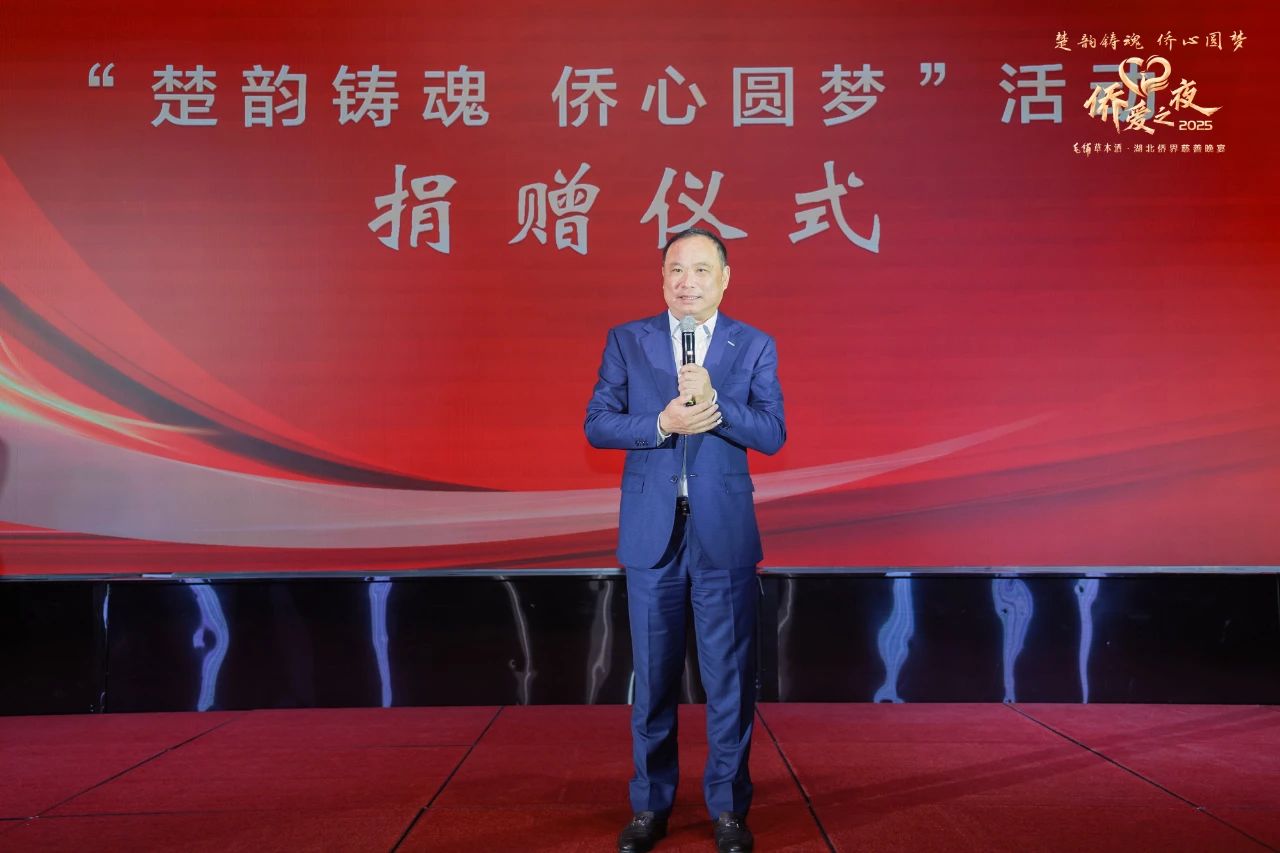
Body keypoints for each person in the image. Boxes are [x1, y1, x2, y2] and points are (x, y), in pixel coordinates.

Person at [585, 227, 786, 853]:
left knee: (729, 679)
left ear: (724, 279)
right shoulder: (627, 340)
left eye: (701, 270)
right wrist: (660, 422)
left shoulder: (754, 344)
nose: (687, 282)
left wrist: (716, 405)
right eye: (676, 269)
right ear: (662, 278)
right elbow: (598, 424)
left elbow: (772, 433)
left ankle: (728, 810)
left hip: (722, 534)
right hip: (653, 535)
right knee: (652, 680)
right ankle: (650, 807)